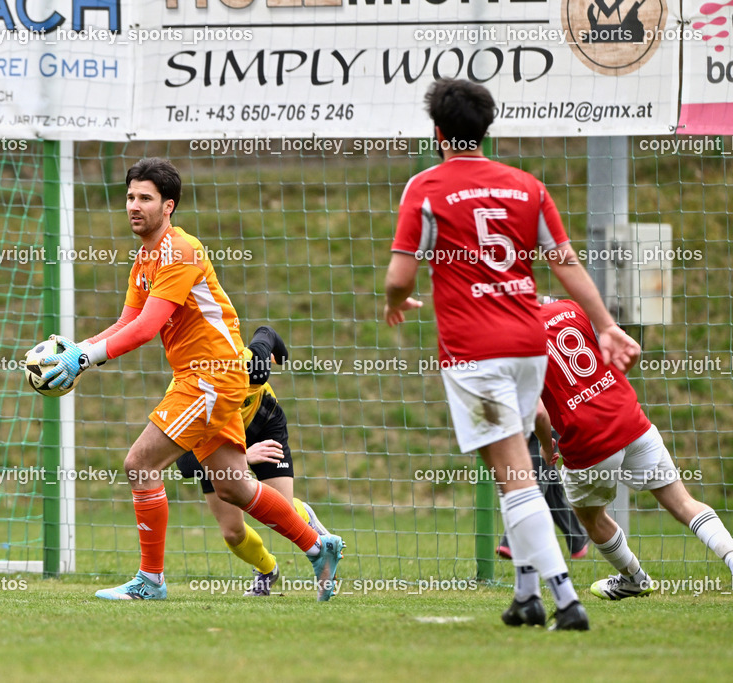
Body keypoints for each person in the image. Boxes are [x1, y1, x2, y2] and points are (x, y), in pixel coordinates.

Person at [383, 78, 641, 631]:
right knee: (509, 468)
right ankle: (525, 595)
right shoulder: (527, 186)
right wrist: (607, 326)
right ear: (486, 128)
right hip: (530, 348)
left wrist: (396, 301)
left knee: (513, 473)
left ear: (438, 132)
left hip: (475, 355)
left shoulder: (425, 188)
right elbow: (566, 262)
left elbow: (400, 274)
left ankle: (566, 600)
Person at [40, 157, 344, 601]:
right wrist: (79, 348)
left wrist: (85, 358)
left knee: (140, 464)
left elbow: (146, 329)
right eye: (129, 197)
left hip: (211, 377)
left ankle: (150, 581)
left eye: (145, 198)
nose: (134, 206)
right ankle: (319, 546)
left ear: (169, 206)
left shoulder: (179, 251)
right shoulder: (145, 259)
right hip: (201, 376)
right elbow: (127, 321)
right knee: (234, 486)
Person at [533, 298, 733, 599]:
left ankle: (634, 579)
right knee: (683, 503)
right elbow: (618, 349)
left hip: (587, 438)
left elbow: (538, 414)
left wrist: (546, 447)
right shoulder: (570, 306)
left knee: (590, 518)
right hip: (628, 416)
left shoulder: (514, 340)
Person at [173, 325, 330, 596]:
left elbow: (266, 333)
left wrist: (278, 353)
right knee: (232, 532)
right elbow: (185, 465)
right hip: (217, 438)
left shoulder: (247, 366)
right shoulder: (186, 392)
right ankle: (268, 570)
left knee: (284, 511)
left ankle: (312, 525)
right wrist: (242, 457)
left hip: (263, 423)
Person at [495, 432, 590, 561]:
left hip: (544, 423)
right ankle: (577, 536)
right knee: (547, 481)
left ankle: (512, 539)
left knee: (535, 481)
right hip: (527, 421)